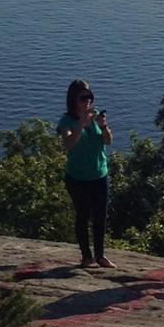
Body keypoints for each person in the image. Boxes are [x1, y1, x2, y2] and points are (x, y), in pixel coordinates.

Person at [57, 79, 115, 269]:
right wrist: (81, 123)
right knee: (83, 216)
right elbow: (68, 144)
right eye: (83, 98)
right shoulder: (66, 121)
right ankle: (86, 256)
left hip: (100, 174)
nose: (87, 102)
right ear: (73, 99)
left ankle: (100, 255)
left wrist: (103, 125)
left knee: (101, 216)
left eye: (90, 97)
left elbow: (108, 142)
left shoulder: (95, 117)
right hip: (78, 178)